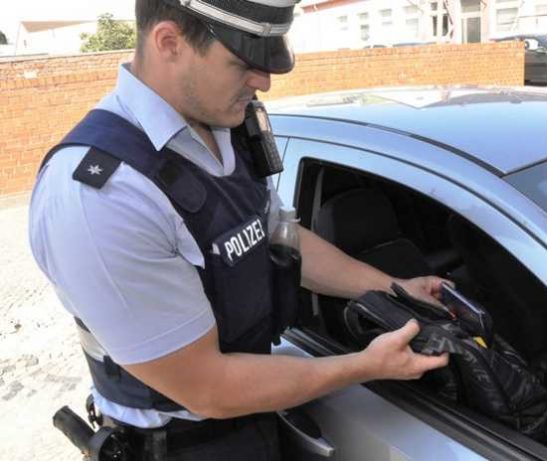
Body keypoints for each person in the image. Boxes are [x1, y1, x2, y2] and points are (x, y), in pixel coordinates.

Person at [29, 0, 449, 459]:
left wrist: (394, 288)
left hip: (251, 423)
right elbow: (209, 388)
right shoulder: (104, 195)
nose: (263, 81)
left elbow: (277, 236)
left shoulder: (226, 125)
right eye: (242, 62)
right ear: (169, 42)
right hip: (183, 445)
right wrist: (366, 366)